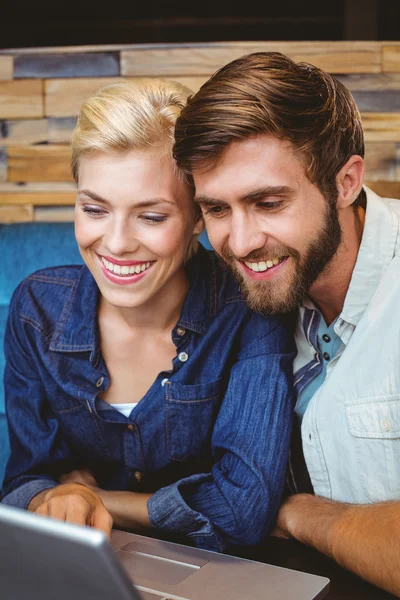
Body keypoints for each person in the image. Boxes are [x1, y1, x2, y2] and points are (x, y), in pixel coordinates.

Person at [1, 78, 295, 553]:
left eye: (152, 216)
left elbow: (243, 511)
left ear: (199, 217)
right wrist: (48, 496)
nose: (116, 243)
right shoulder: (36, 311)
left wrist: (92, 498)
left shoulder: (247, 308)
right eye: (94, 209)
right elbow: (24, 481)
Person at [173, 52, 400, 594]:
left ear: (345, 183)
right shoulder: (236, 293)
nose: (242, 243)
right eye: (217, 210)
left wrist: (306, 515)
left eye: (268, 202)